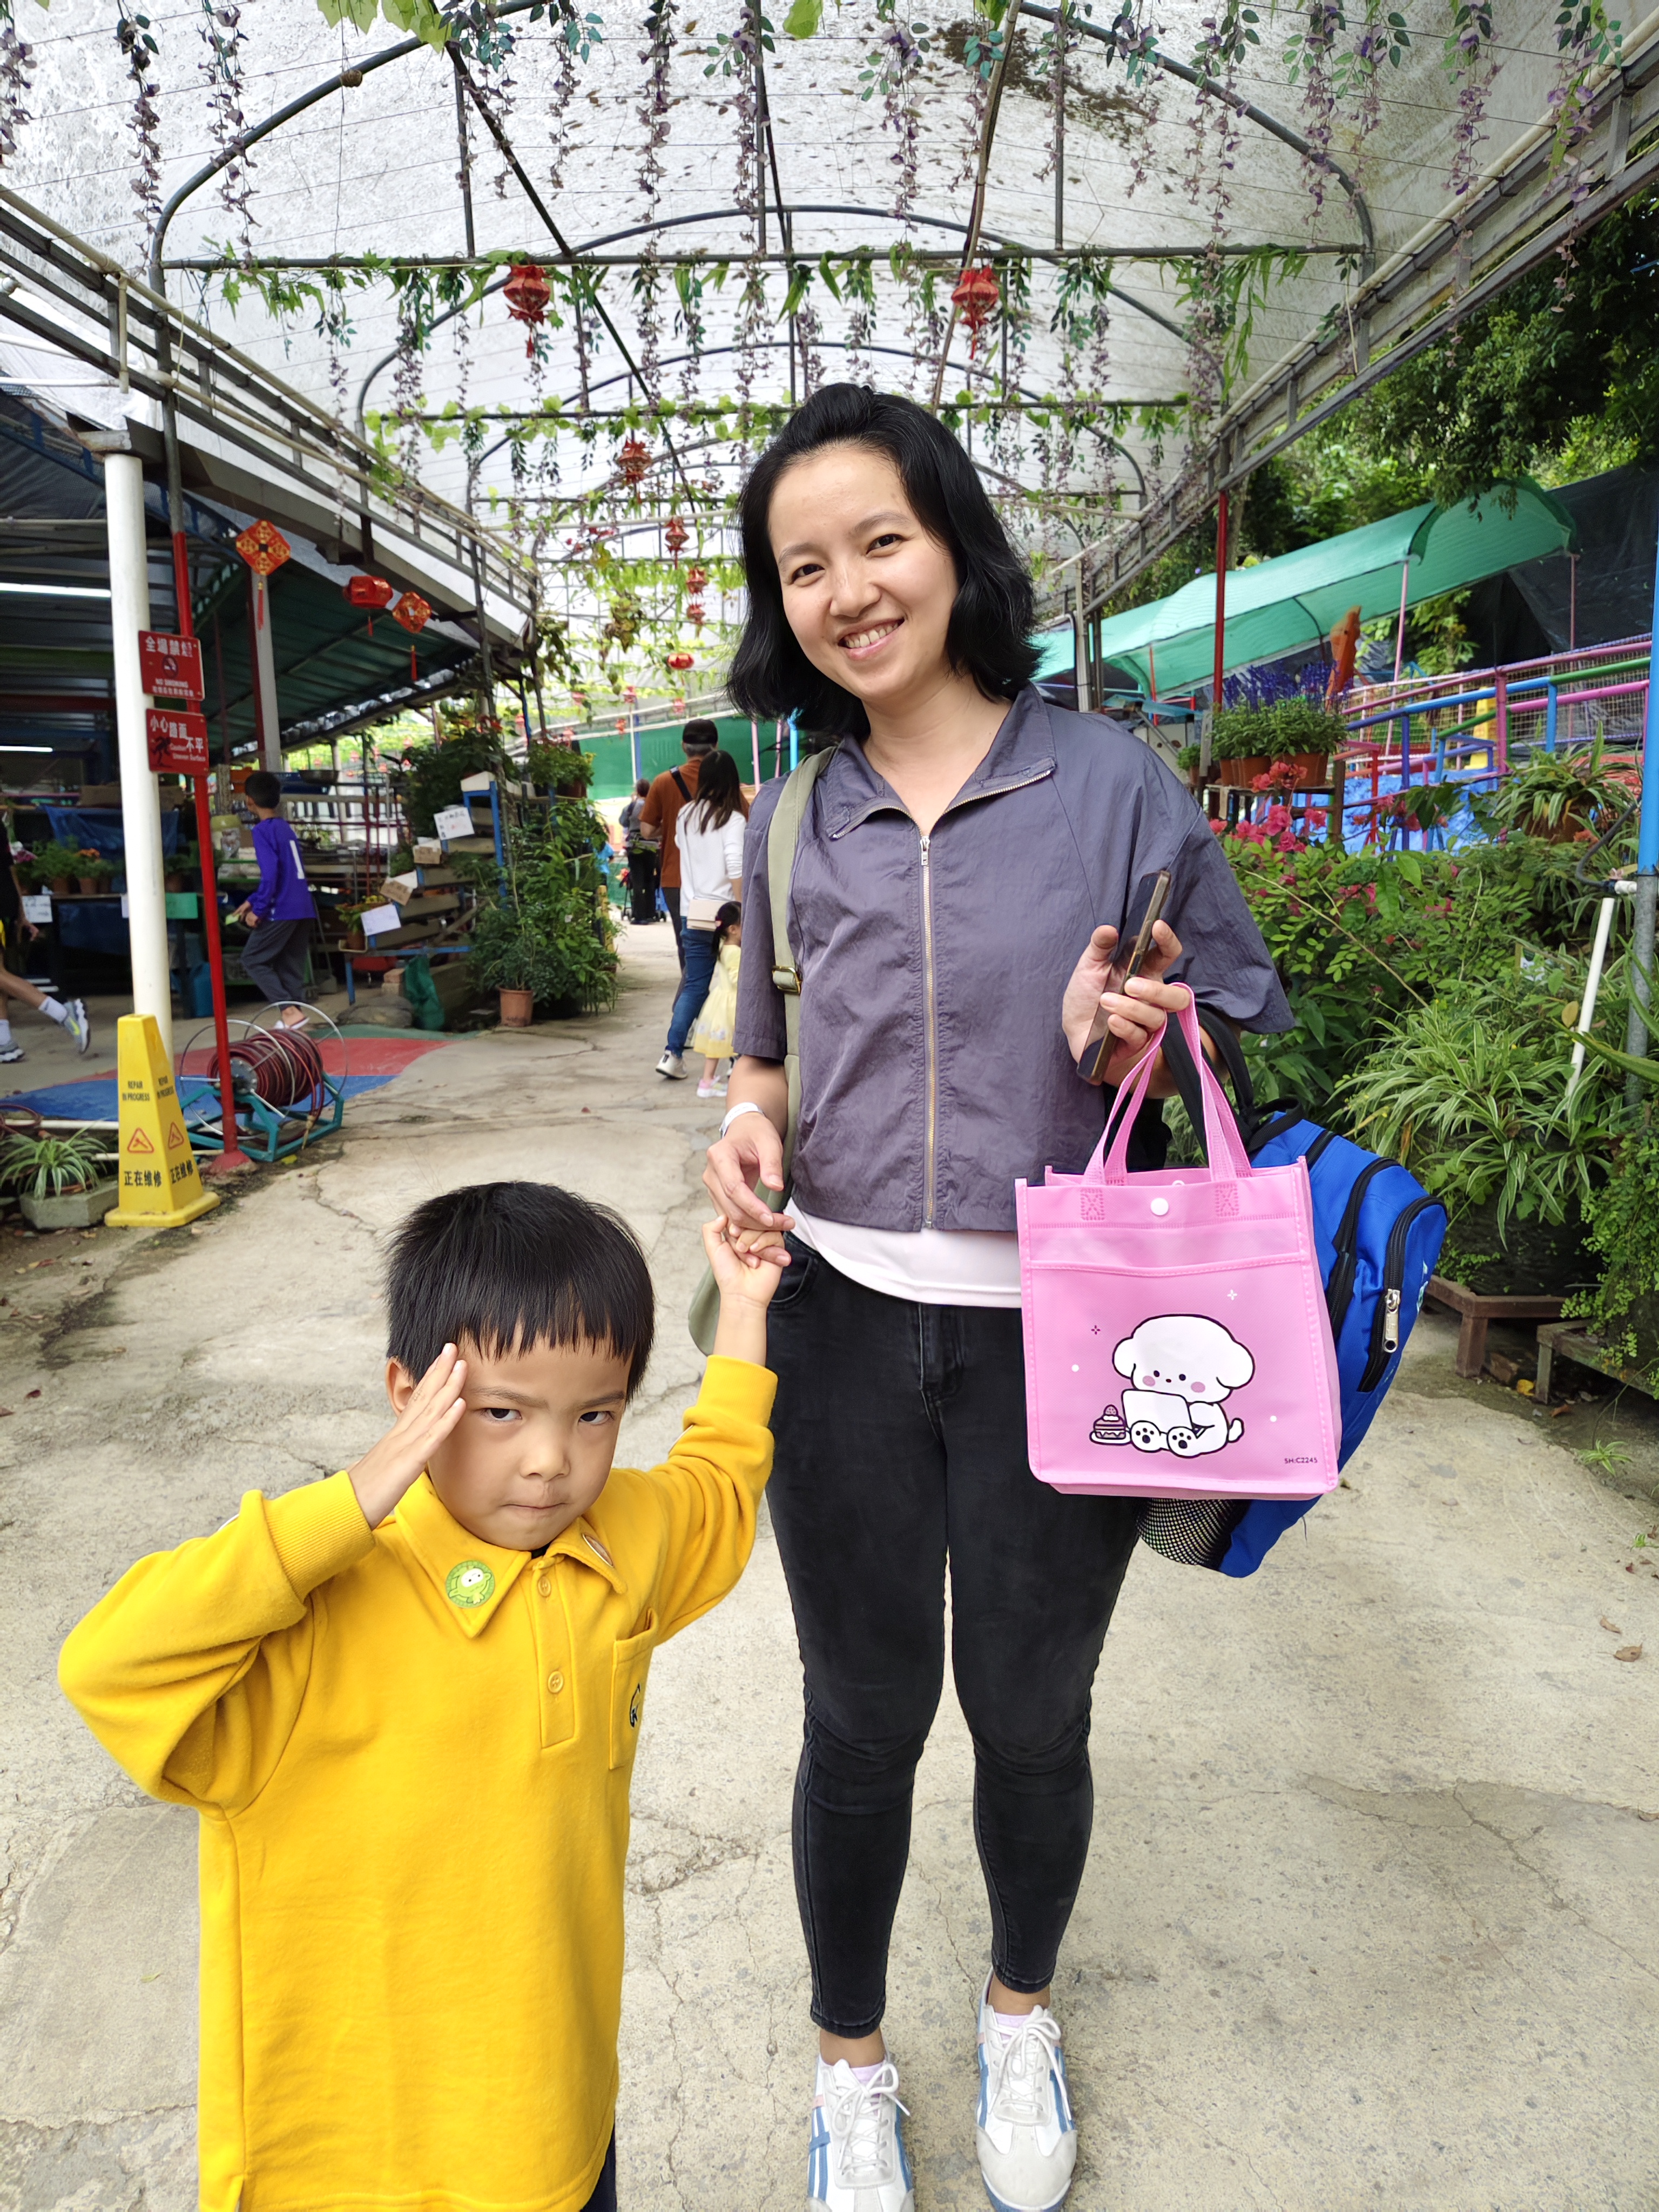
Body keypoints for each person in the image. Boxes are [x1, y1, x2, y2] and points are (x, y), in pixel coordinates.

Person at [703, 385, 1292, 2212]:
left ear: (955, 545)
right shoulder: (795, 815)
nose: (849, 591)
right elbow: (765, 1055)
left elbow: (1238, 1019)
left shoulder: (1111, 785)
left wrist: (1139, 1023)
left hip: (1068, 1327)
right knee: (860, 1716)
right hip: (840, 1323)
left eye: (880, 540)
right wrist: (744, 1123)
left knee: (1032, 1711)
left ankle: (1018, 2015)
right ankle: (850, 2069)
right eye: (805, 566)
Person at [58, 1178, 788, 2212]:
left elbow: (715, 1483)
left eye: (595, 1414)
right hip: (350, 2172)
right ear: (410, 1393)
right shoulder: (314, 1620)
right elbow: (111, 1663)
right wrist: (347, 1503)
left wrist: (745, 1307)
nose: (550, 1461)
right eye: (501, 1413)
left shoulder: (618, 1541)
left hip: (556, 2137)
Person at [657, 748, 747, 1082]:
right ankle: (739, 1058)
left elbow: (683, 847)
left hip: (693, 911)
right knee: (737, 985)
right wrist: (743, 910)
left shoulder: (685, 815)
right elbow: (735, 865)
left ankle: (672, 1054)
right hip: (727, 915)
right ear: (732, 782)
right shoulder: (733, 820)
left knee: (695, 985)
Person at [0, 812, 89, 1061]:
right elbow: (10, 869)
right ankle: (4, 1042)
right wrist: (21, 912)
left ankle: (64, 1013)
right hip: (5, 904)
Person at [232, 770, 317, 1027]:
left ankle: (288, 1011)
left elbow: (271, 875)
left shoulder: (262, 831)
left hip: (282, 909)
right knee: (291, 966)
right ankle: (295, 1019)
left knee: (253, 959)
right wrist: (252, 899)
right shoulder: (284, 828)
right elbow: (286, 872)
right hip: (303, 907)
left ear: (249, 801)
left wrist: (258, 909)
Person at [638, 719, 718, 969]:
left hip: (677, 878)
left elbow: (647, 830)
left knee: (688, 949)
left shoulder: (664, 782)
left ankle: (691, 990)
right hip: (717, 879)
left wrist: (673, 825)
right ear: (716, 746)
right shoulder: (724, 782)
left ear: (684, 746)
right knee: (722, 947)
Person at [687, 900, 743, 1098]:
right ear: (733, 929)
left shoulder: (723, 945)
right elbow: (738, 980)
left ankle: (708, 1080)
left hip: (721, 1001)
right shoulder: (735, 952)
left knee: (717, 1046)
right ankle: (735, 1082)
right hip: (733, 1003)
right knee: (738, 1045)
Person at [619, 775, 659, 923]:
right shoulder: (654, 806)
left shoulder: (631, 807)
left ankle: (640, 915)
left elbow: (623, 822)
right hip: (651, 846)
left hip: (635, 847)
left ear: (637, 790)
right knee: (650, 880)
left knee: (637, 881)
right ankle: (651, 913)